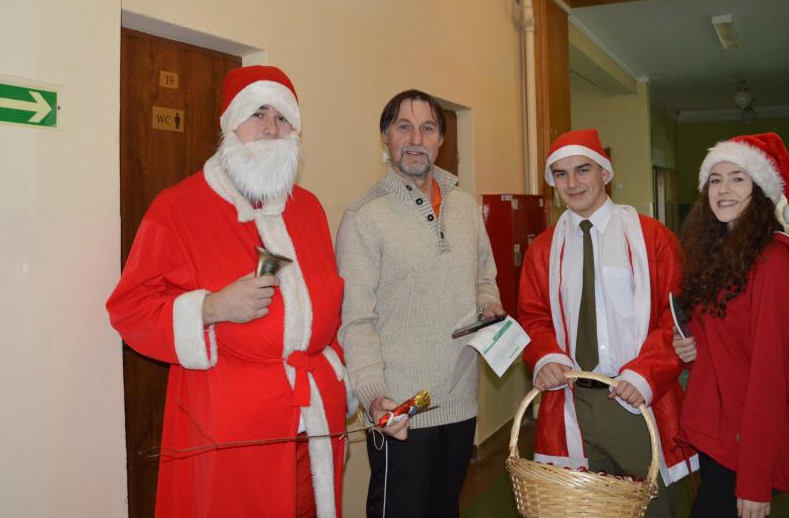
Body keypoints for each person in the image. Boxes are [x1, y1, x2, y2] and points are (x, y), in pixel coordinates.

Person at [107, 66, 350, 518]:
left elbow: (329, 310)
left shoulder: (309, 209)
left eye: (283, 118)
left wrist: (339, 376)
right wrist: (212, 307)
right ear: (230, 124)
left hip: (313, 423)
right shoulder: (177, 209)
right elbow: (130, 309)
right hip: (230, 433)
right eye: (258, 114)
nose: (271, 129)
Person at [336, 89, 504, 518]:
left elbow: (485, 277)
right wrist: (374, 396)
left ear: (440, 139)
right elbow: (355, 321)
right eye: (403, 127)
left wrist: (488, 304)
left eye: (427, 128)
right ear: (385, 136)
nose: (415, 139)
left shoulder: (465, 207)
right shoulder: (363, 217)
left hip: (461, 403)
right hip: (400, 413)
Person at [517, 129, 697, 518]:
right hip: (570, 402)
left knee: (654, 508)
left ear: (604, 172)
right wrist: (546, 357)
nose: (572, 183)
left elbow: (676, 318)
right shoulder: (543, 249)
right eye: (561, 174)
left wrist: (645, 375)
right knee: (579, 511)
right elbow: (533, 316)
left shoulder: (652, 238)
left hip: (635, 401)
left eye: (583, 170)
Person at [673, 132, 789, 518]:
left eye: (738, 178)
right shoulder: (722, 254)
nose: (723, 190)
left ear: (762, 190)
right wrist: (689, 347)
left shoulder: (772, 264)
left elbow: (770, 379)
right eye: (715, 180)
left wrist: (754, 478)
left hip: (745, 445)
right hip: (719, 433)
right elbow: (725, 339)